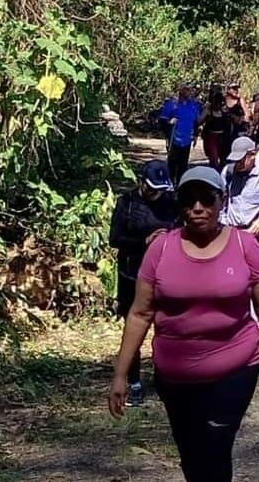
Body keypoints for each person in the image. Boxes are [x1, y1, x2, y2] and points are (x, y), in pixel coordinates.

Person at [108, 166, 259, 482]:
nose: (198, 208)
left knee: (215, 450)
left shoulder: (245, 247)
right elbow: (139, 314)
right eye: (189, 201)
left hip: (235, 368)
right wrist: (121, 375)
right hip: (175, 375)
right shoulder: (160, 250)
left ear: (222, 200)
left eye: (207, 199)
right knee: (191, 456)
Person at [108, 159, 179, 406]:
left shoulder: (171, 205)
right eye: (151, 188)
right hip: (132, 276)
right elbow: (115, 239)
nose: (155, 194)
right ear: (141, 182)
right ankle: (134, 381)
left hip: (165, 277)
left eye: (159, 189)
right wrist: (144, 242)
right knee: (133, 329)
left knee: (166, 328)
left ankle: (167, 378)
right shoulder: (126, 204)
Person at [160, 83, 203, 186]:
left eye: (189, 89)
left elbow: (196, 122)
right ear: (180, 90)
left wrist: (196, 135)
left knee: (183, 166)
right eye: (185, 89)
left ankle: (180, 187)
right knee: (172, 164)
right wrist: (169, 123)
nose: (188, 92)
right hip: (174, 139)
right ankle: (169, 186)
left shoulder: (194, 105)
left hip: (187, 139)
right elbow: (162, 120)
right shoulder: (172, 104)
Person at [201, 84, 232, 170]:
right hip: (211, 137)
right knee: (214, 160)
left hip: (223, 137)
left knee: (223, 159)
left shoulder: (224, 109)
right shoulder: (208, 109)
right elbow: (199, 121)